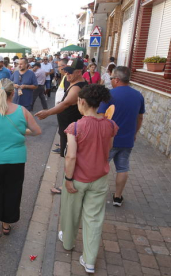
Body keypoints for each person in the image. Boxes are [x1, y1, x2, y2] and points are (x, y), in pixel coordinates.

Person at [59, 84, 118, 274]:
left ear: (82, 101)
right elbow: (108, 149)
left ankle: (68, 242)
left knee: (70, 211)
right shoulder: (110, 125)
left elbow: (71, 156)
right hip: (100, 178)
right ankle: (90, 261)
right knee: (94, 219)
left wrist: (68, 178)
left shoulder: (76, 127)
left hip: (77, 178)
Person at [0, 78, 41, 243]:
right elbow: (37, 131)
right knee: (12, 191)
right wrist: (21, 132)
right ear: (13, 93)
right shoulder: (22, 111)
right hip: (16, 160)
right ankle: (6, 224)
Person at [97, 66, 145, 207]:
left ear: (117, 79)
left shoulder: (109, 95)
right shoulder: (138, 95)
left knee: (101, 167)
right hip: (127, 139)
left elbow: (100, 117)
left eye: (111, 78)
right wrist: (134, 134)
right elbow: (140, 118)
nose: (111, 81)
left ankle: (97, 196)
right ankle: (117, 197)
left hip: (109, 140)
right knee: (123, 168)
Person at [35, 58, 87, 157]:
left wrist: (47, 112)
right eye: (66, 71)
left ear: (79, 72)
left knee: (70, 157)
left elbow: (66, 104)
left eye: (70, 72)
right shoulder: (74, 82)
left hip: (71, 131)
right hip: (68, 129)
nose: (67, 74)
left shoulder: (77, 88)